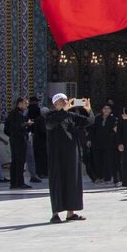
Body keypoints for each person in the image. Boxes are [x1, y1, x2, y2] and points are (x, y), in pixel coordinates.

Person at [44, 94, 90, 223]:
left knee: (72, 181)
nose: (65, 102)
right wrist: (64, 111)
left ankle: (71, 213)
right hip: (57, 155)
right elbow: (50, 125)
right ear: (55, 104)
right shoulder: (50, 115)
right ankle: (55, 213)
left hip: (71, 154)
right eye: (61, 100)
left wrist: (88, 110)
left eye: (65, 99)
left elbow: (88, 121)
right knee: (58, 182)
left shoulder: (71, 116)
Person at [5, 97, 31, 189]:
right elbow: (18, 126)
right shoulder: (18, 114)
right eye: (25, 103)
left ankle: (14, 183)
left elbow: (6, 128)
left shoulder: (12, 113)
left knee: (15, 161)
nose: (26, 105)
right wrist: (27, 124)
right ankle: (19, 183)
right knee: (20, 161)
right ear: (19, 103)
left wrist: (12, 136)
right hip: (19, 140)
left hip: (14, 139)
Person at [90, 103, 119, 184]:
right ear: (102, 110)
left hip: (109, 143)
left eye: (108, 109)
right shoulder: (97, 119)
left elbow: (115, 130)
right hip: (97, 142)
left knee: (108, 161)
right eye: (105, 108)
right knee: (97, 160)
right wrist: (89, 139)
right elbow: (92, 130)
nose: (106, 110)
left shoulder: (113, 119)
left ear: (110, 110)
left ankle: (107, 178)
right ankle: (99, 177)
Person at [26, 95, 45, 182]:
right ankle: (36, 174)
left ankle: (35, 173)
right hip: (33, 134)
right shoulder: (36, 110)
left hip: (30, 132)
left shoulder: (28, 110)